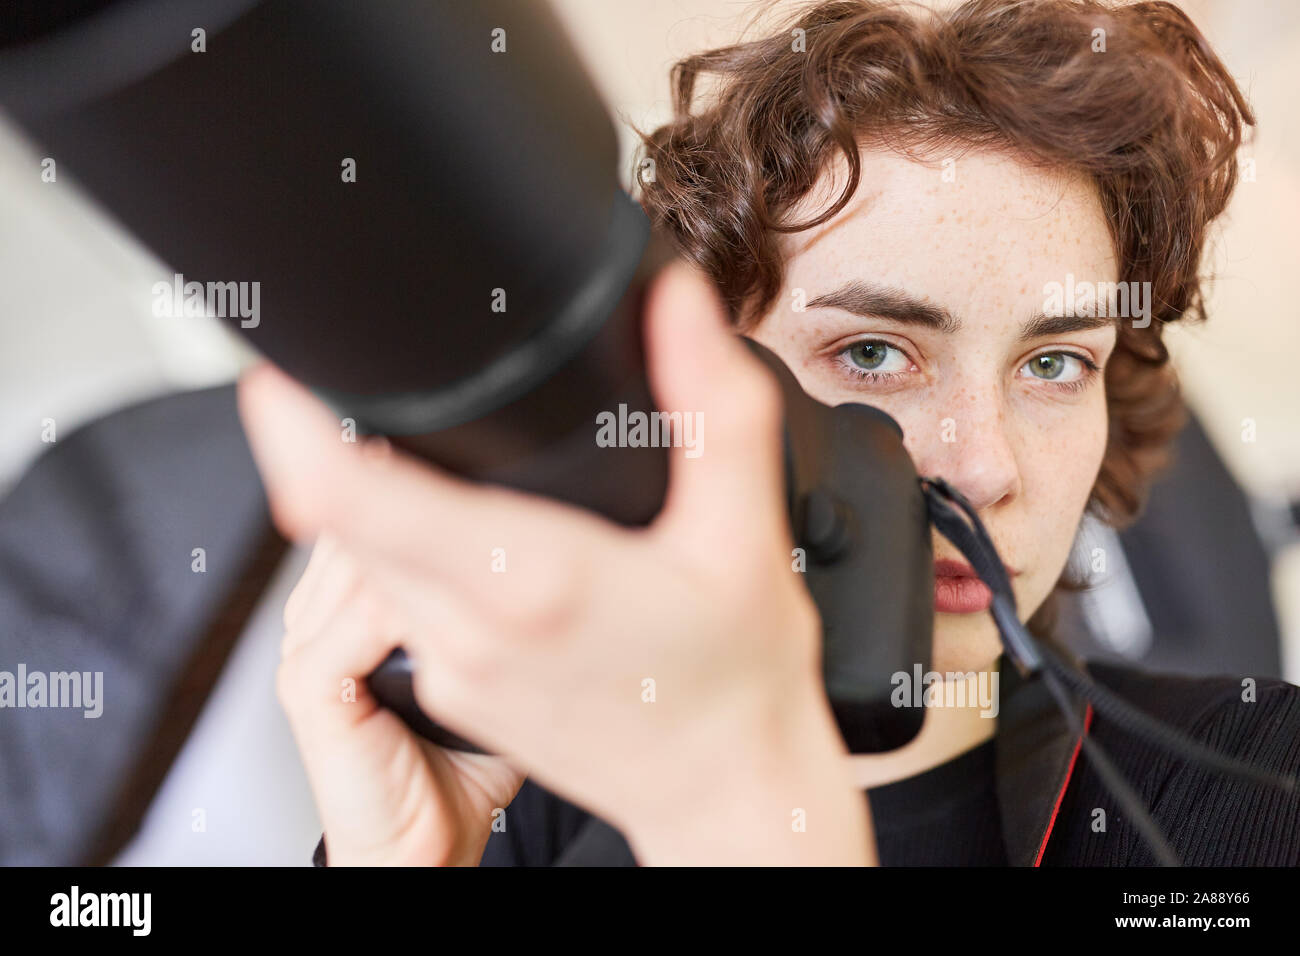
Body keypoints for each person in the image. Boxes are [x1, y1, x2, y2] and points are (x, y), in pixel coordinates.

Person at [237, 0, 1300, 866]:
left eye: (1053, 364)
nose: (985, 464)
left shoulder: (1255, 783)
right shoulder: (531, 801)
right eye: (875, 352)